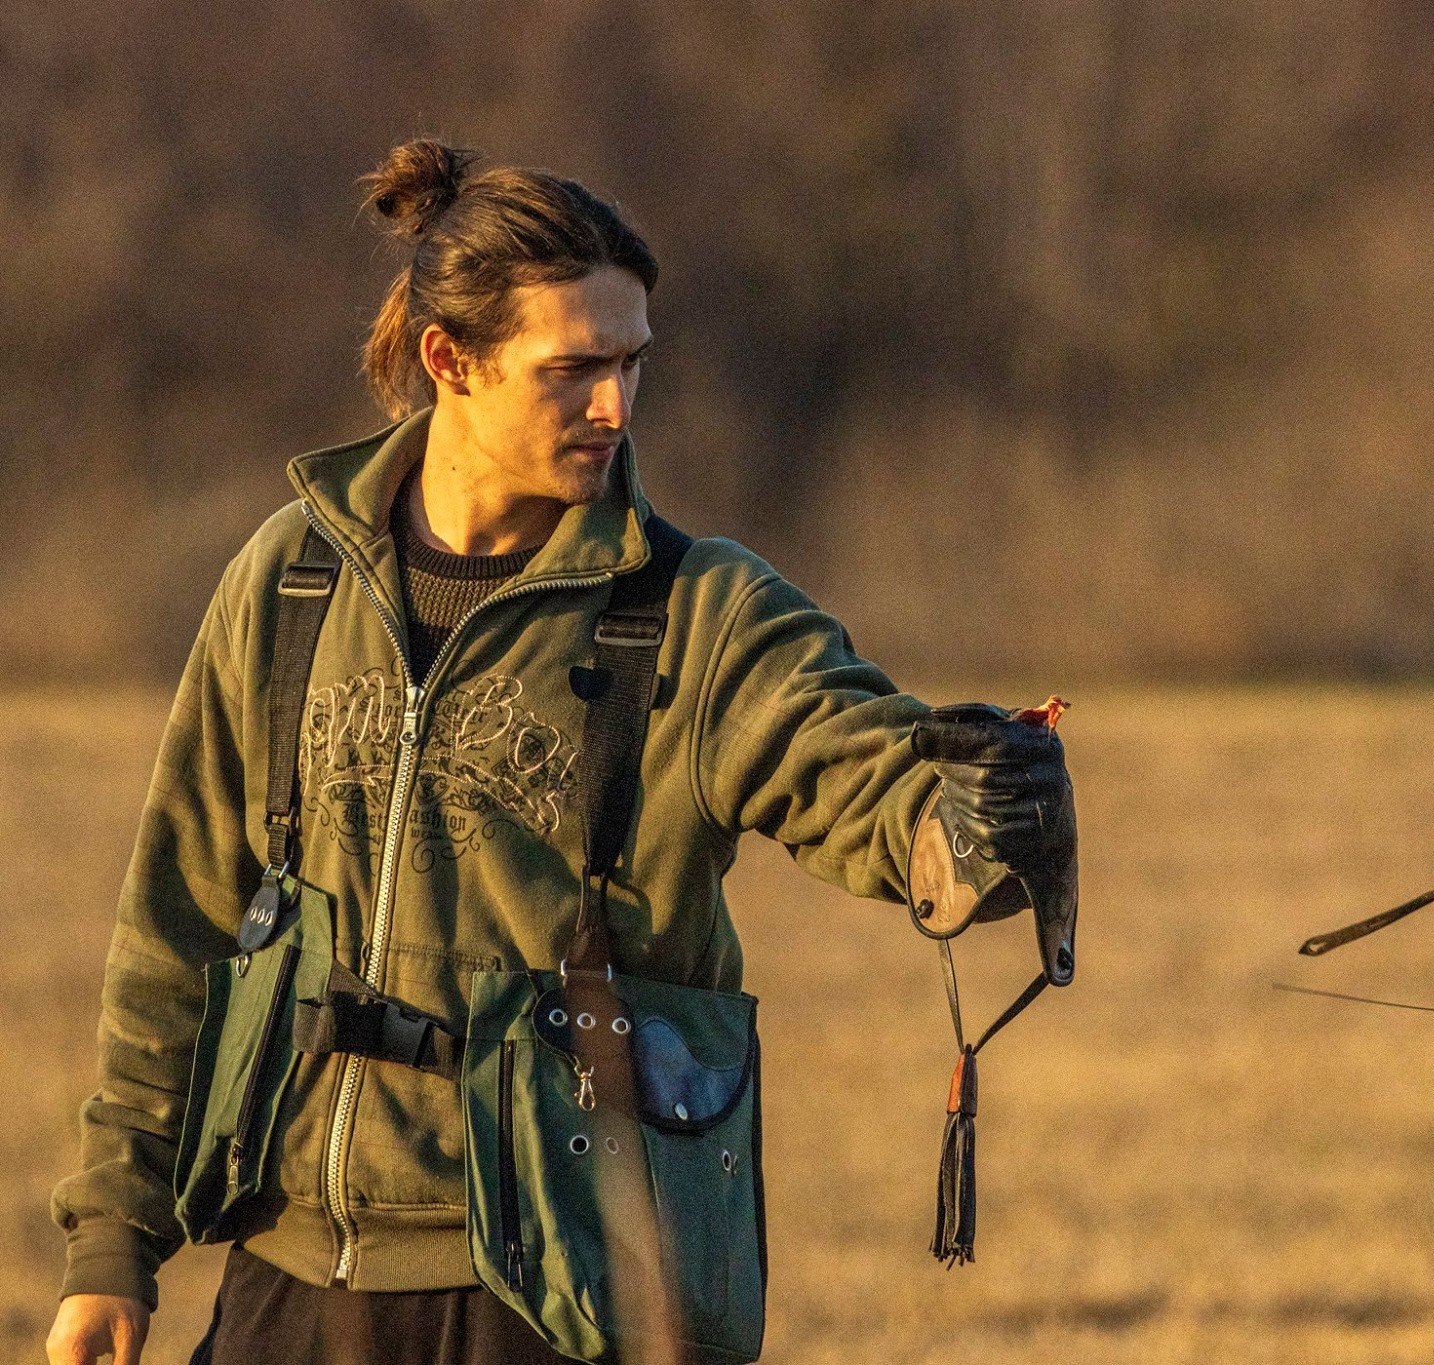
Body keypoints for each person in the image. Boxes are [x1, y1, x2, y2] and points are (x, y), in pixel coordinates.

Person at [45, 139, 1076, 1365]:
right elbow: (177, 930)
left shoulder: (695, 611)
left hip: (566, 1290)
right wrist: (115, 1243)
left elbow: (853, 761)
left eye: (632, 364)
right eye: (573, 369)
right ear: (451, 361)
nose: (615, 407)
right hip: (289, 1280)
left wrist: (963, 815)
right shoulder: (291, 582)